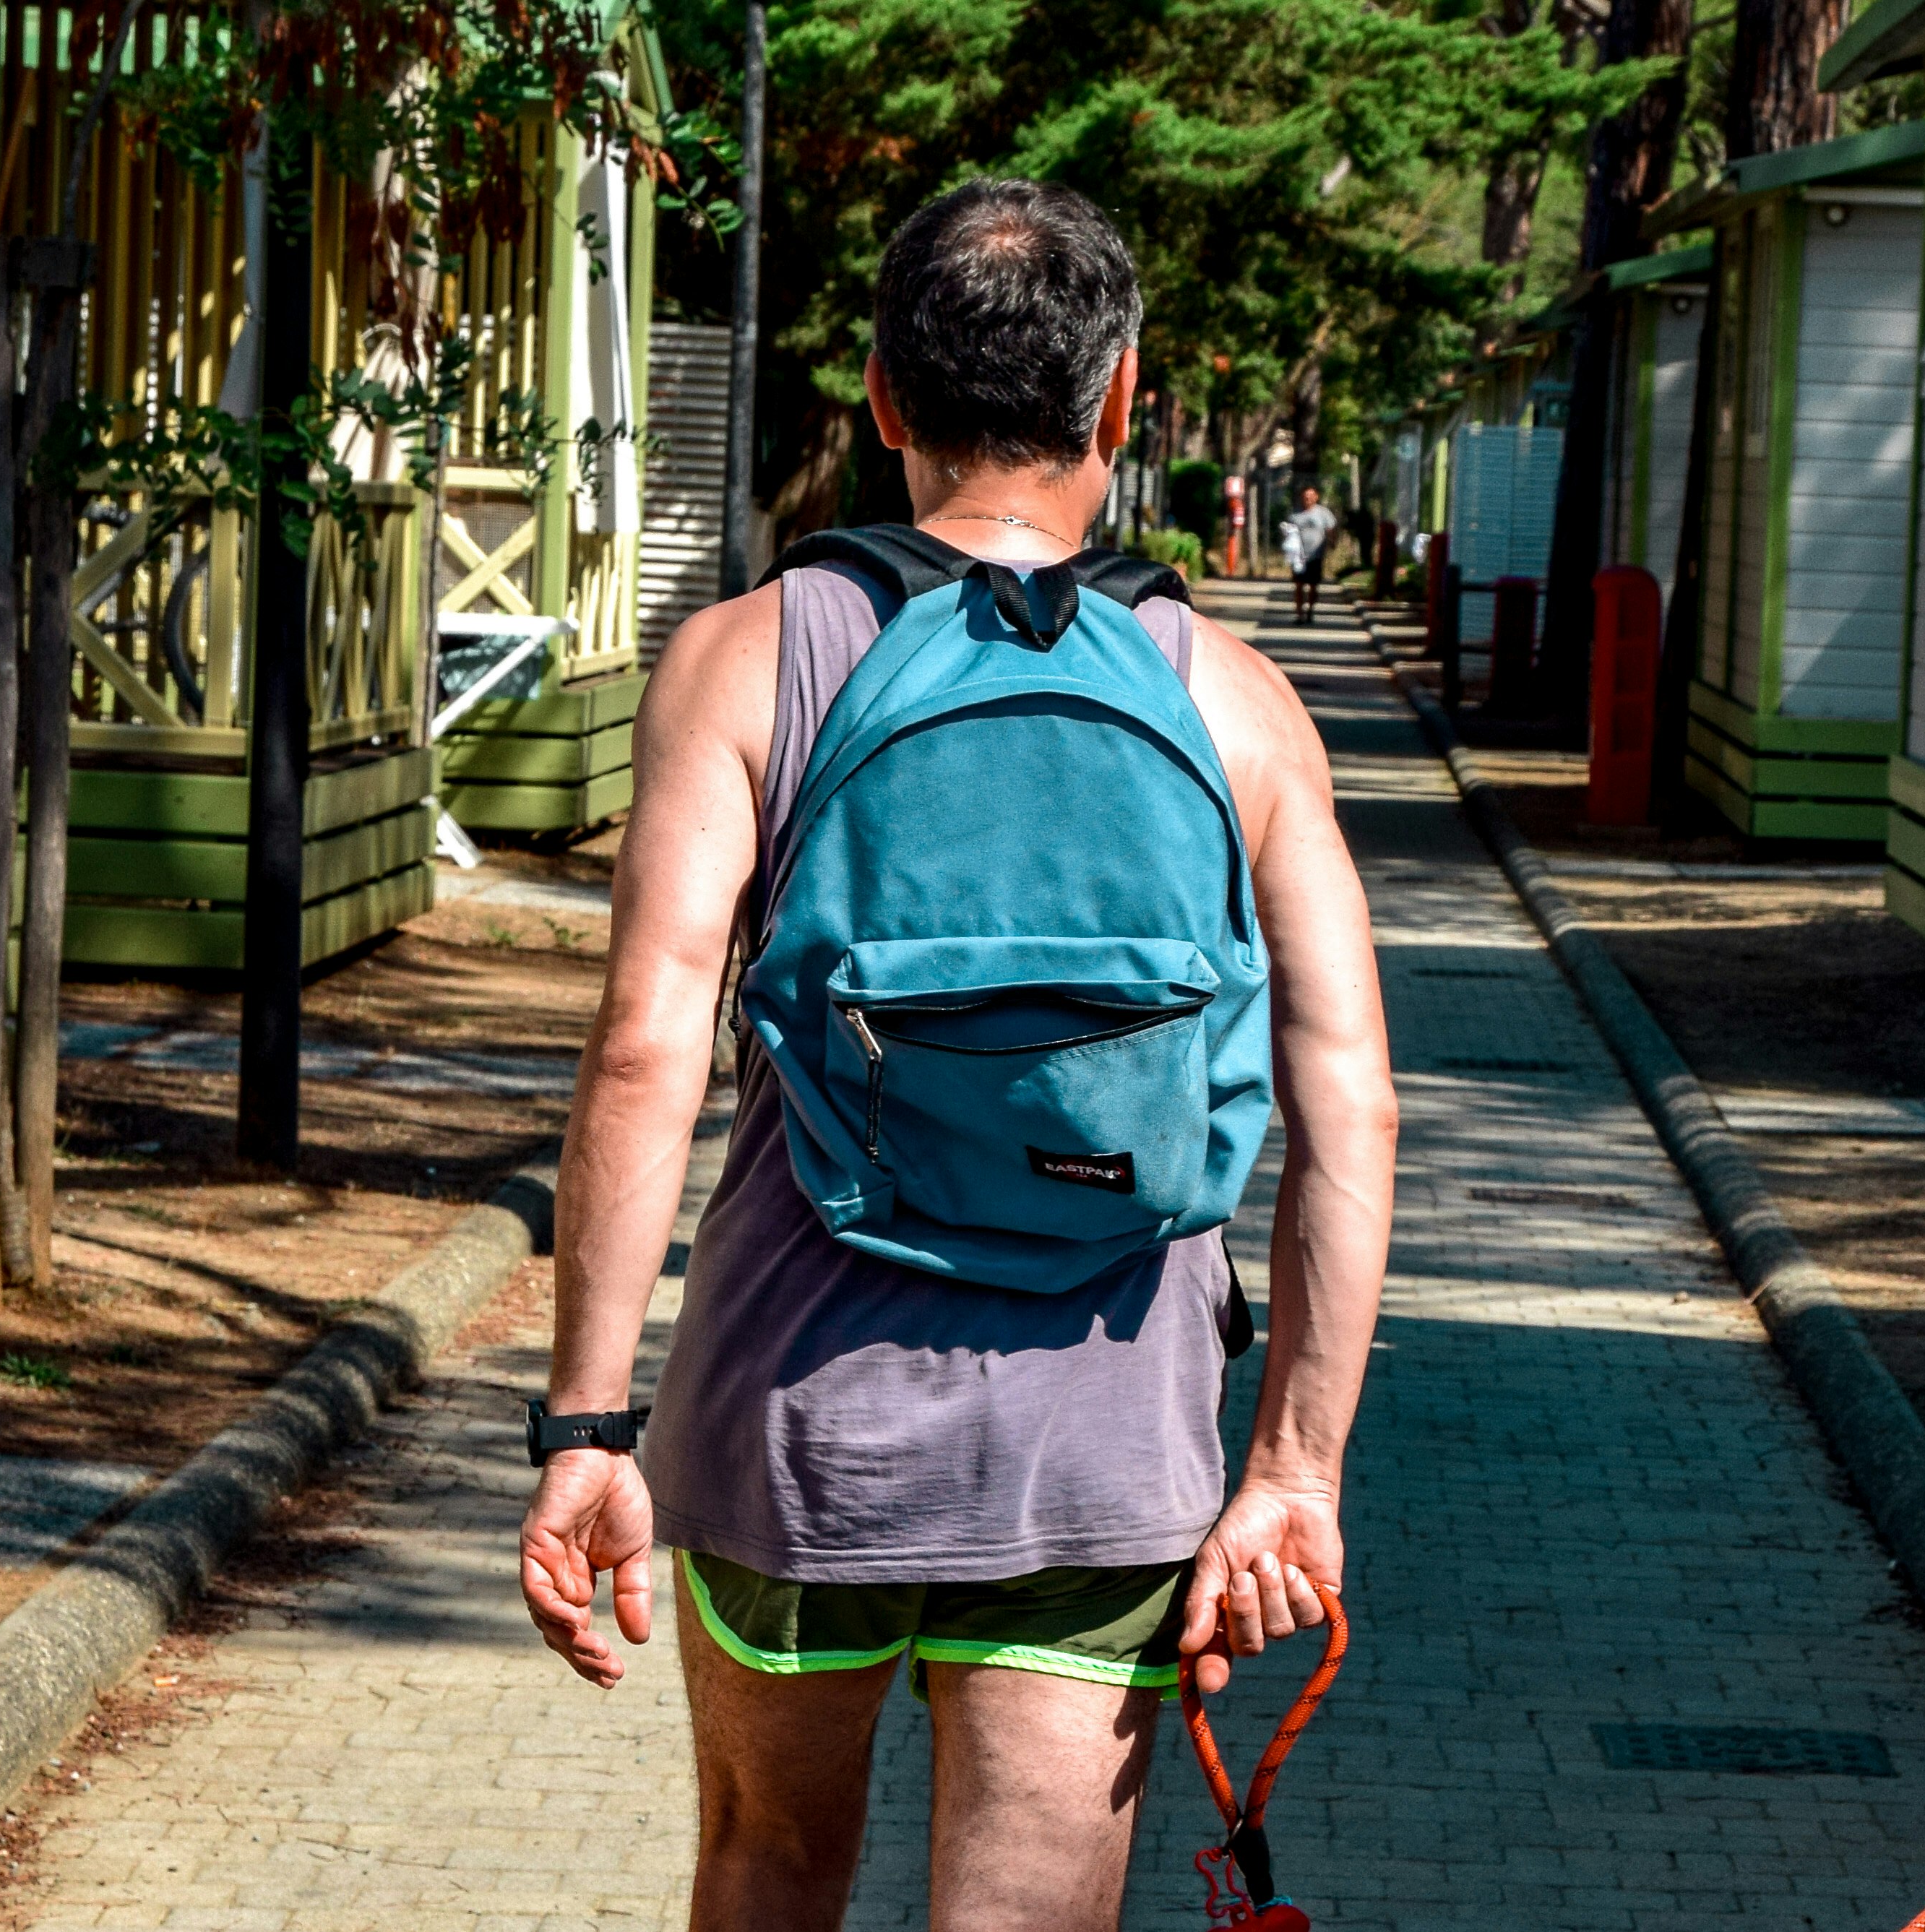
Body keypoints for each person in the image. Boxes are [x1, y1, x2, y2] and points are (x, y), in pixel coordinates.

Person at [517, 176, 1398, 1932]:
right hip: (1105, 1435)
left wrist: (588, 1419)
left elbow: (644, 1046)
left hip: (794, 1418)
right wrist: (1293, 1469)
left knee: (766, 1867)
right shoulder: (1230, 696)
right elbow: (1346, 1099)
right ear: (1124, 397)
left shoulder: (748, 661)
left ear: (883, 400)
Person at [1283, 485, 1336, 624]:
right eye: (1305, 497)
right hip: (1298, 556)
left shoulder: (1324, 513)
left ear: (1316, 497)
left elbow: (1330, 530)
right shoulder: (1295, 514)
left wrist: (1332, 542)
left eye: (1310, 497)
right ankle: (1300, 615)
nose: (1307, 499)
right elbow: (1288, 532)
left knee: (1313, 585)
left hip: (1316, 555)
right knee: (1299, 585)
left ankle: (1310, 610)